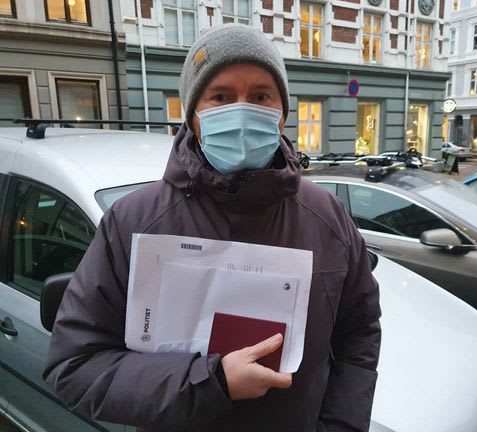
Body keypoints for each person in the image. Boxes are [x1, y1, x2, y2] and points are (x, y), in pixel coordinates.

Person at [44, 24, 381, 431]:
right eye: (220, 97)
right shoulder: (133, 222)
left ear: (282, 114)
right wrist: (210, 383)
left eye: (261, 96)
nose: (242, 111)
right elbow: (75, 366)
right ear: (193, 115)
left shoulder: (326, 217)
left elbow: (359, 334)